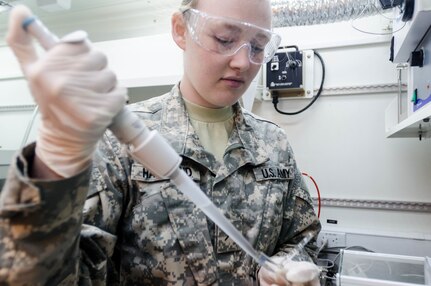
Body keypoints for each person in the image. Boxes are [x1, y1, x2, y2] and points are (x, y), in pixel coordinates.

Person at [0, 0, 321, 285]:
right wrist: (52, 171)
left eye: (258, 45)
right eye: (224, 39)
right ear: (182, 30)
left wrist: (291, 267)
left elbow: (302, 237)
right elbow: (55, 275)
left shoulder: (273, 142)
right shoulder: (118, 141)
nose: (243, 62)